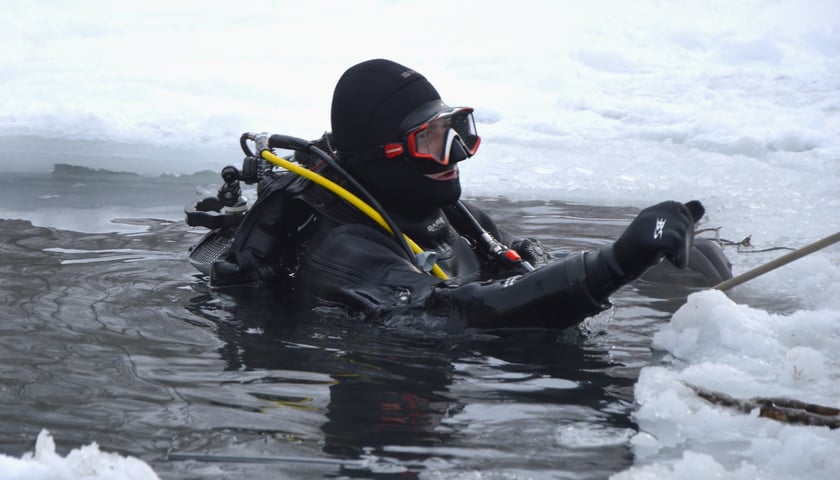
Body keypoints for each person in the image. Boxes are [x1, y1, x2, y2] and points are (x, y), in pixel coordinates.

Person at [206, 58, 731, 331]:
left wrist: (648, 266)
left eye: (457, 130)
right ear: (380, 152)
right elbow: (452, 316)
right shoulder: (346, 249)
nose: (456, 153)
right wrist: (616, 262)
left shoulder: (458, 217)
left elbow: (523, 274)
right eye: (431, 140)